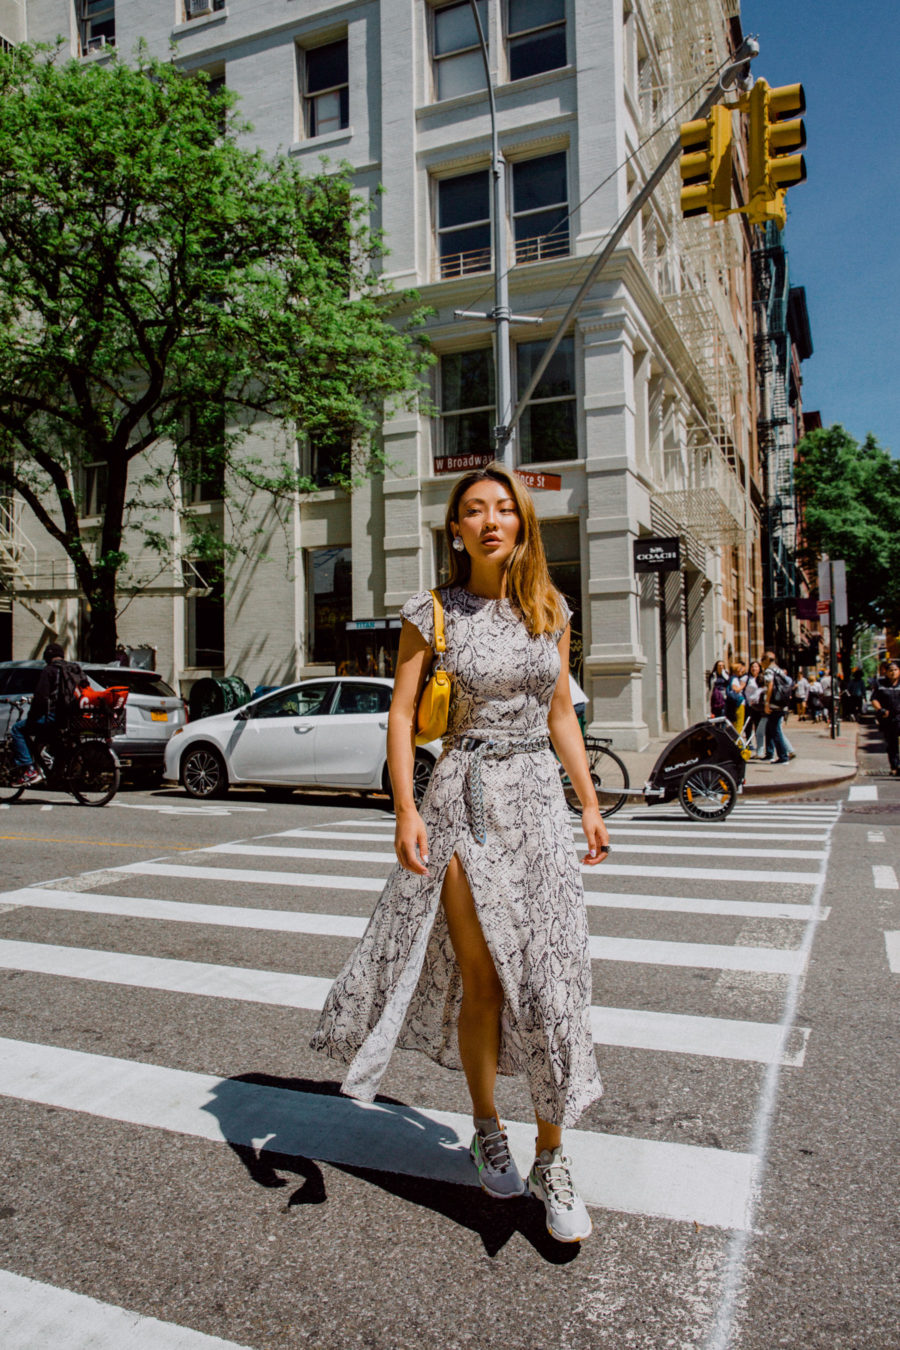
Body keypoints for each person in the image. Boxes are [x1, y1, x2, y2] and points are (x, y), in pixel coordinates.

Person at [311, 463, 609, 1244]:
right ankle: (487, 1127)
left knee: (548, 980)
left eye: (504, 509)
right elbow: (403, 715)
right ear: (456, 529)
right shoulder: (431, 611)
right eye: (473, 510)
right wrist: (405, 808)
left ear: (522, 524)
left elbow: (561, 714)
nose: (489, 521)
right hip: (463, 800)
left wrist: (588, 800)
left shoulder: (551, 608)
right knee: (483, 981)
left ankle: (553, 1154)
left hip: (538, 805)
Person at [9, 642, 84, 786]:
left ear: (47, 657)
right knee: (54, 740)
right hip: (70, 717)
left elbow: (41, 698)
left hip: (52, 716)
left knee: (18, 729)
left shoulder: (49, 670)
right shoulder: (74, 668)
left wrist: (32, 717)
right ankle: (57, 772)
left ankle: (30, 770)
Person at [760, 650, 795, 764]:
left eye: (762, 660)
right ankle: (770, 753)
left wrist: (767, 703)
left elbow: (770, 686)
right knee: (770, 728)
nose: (761, 663)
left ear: (766, 660)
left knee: (775, 730)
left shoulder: (769, 671)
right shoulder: (779, 670)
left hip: (774, 703)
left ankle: (783, 756)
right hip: (781, 703)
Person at [871, 661, 900, 776]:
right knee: (892, 743)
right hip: (887, 718)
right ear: (886, 673)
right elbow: (874, 699)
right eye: (890, 670)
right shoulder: (880, 684)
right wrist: (880, 709)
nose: (893, 672)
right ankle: (895, 766)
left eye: (895, 670)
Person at [744, 659, 767, 757]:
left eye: (756, 667)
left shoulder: (763, 678)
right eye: (752, 667)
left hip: (759, 706)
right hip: (749, 705)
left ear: (759, 668)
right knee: (748, 725)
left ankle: (760, 747)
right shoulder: (747, 678)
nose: (754, 668)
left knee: (758, 728)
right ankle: (749, 743)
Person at [725, 661, 747, 734]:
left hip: (735, 703)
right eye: (740, 669)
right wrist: (742, 686)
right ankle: (738, 742)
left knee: (736, 723)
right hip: (739, 703)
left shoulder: (732, 678)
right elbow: (735, 689)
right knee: (739, 723)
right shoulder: (734, 679)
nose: (742, 671)